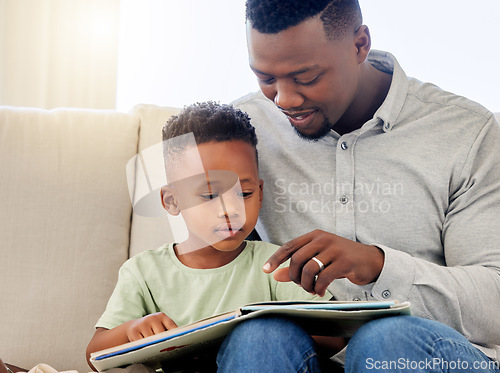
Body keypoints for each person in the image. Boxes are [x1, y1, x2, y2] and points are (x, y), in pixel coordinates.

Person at [216, 0, 500, 372]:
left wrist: (378, 265)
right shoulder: (242, 131)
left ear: (360, 44)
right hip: (302, 354)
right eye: (266, 78)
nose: (283, 99)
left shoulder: (467, 132)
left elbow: (494, 304)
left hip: (420, 355)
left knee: (385, 340)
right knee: (259, 337)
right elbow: (197, 261)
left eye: (306, 77)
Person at [85, 101, 340, 372]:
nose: (230, 210)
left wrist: (266, 331)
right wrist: (130, 331)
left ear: (261, 193)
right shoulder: (144, 272)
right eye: (209, 195)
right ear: (171, 201)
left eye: (244, 194)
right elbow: (94, 355)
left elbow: (335, 337)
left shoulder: (273, 264)